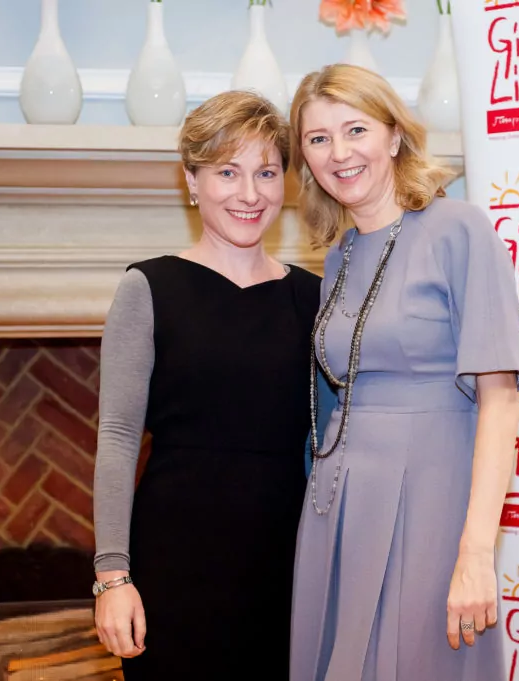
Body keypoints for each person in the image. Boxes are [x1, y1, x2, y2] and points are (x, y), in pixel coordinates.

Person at [288, 64, 519, 681]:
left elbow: (501, 400)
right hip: (338, 505)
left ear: (395, 135)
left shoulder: (460, 229)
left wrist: (476, 552)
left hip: (429, 497)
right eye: (318, 139)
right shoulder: (339, 255)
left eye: (356, 130)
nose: (339, 152)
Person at [91, 90, 322, 680]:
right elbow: (117, 438)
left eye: (266, 173)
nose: (250, 194)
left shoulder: (313, 298)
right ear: (192, 180)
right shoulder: (148, 289)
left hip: (287, 566)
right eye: (227, 172)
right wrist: (113, 577)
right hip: (174, 567)